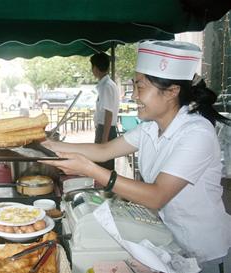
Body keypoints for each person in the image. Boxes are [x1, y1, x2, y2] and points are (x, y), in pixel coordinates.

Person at [41, 41, 231, 273]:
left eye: (140, 87)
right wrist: (50, 146)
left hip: (203, 249)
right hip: (169, 241)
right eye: (134, 86)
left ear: (172, 91)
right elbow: (103, 151)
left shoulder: (197, 133)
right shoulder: (150, 127)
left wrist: (90, 169)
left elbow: (157, 196)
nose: (133, 95)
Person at [90, 52, 120, 170]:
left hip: (105, 130)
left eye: (92, 67)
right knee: (103, 165)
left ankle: (104, 188)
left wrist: (104, 139)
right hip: (105, 129)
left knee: (103, 167)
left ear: (96, 68)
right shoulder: (107, 84)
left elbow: (108, 114)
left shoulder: (106, 86)